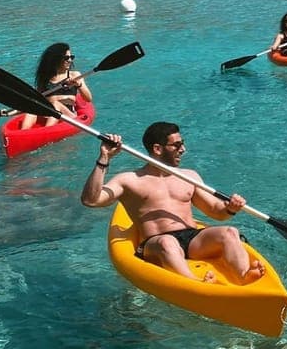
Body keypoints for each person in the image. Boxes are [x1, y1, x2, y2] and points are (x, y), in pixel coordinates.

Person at [80, 121, 264, 284]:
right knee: (167, 242)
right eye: (176, 145)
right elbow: (91, 200)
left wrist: (231, 208)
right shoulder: (129, 180)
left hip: (193, 239)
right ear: (158, 149)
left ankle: (243, 277)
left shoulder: (189, 176)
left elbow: (217, 212)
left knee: (230, 231)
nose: (183, 150)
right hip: (156, 244)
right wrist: (104, 158)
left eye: (182, 144)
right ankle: (196, 284)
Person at [19, 42, 93, 130]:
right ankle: (24, 132)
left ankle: (46, 132)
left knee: (55, 104)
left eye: (71, 57)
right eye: (66, 58)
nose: (70, 60)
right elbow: (36, 101)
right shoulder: (45, 79)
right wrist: (9, 112)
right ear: (56, 59)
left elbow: (88, 99)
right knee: (32, 110)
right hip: (48, 115)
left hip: (68, 116)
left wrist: (79, 84)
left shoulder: (75, 75)